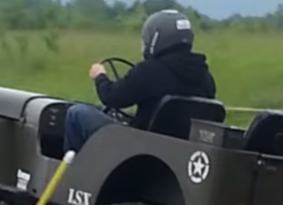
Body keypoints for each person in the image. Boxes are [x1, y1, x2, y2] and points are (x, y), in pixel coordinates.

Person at [63, 9, 217, 153]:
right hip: (177, 154)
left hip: (137, 148)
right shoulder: (205, 77)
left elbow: (112, 98)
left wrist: (100, 76)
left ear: (156, 38)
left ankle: (73, 175)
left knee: (77, 113)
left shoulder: (149, 70)